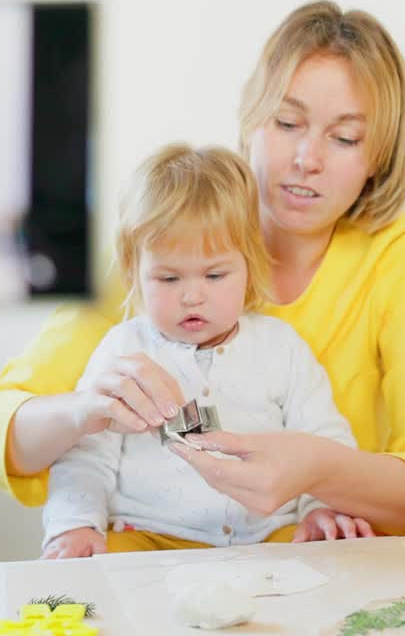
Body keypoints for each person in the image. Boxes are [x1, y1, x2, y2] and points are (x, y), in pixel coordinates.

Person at [0, 0, 405, 539]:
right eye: (287, 122)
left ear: (379, 155)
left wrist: (320, 472)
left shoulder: (398, 257)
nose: (307, 157)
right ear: (252, 119)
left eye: (345, 137)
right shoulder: (161, 236)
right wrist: (82, 410)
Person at [42, 144, 364, 559]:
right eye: (169, 277)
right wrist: (74, 525)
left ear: (249, 266)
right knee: (102, 573)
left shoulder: (280, 348)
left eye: (215, 274)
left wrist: (323, 509)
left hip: (267, 535)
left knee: (323, 562)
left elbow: (324, 441)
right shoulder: (124, 349)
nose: (192, 296)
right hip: (148, 537)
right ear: (134, 274)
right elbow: (85, 455)